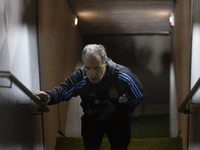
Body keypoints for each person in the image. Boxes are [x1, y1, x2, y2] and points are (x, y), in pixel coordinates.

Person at [33, 44, 146, 150]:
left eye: (97, 68)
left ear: (105, 62)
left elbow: (138, 95)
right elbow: (64, 89)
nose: (91, 74)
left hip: (119, 120)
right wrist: (49, 96)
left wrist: (117, 110)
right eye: (87, 68)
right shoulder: (81, 76)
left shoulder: (123, 75)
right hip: (93, 120)